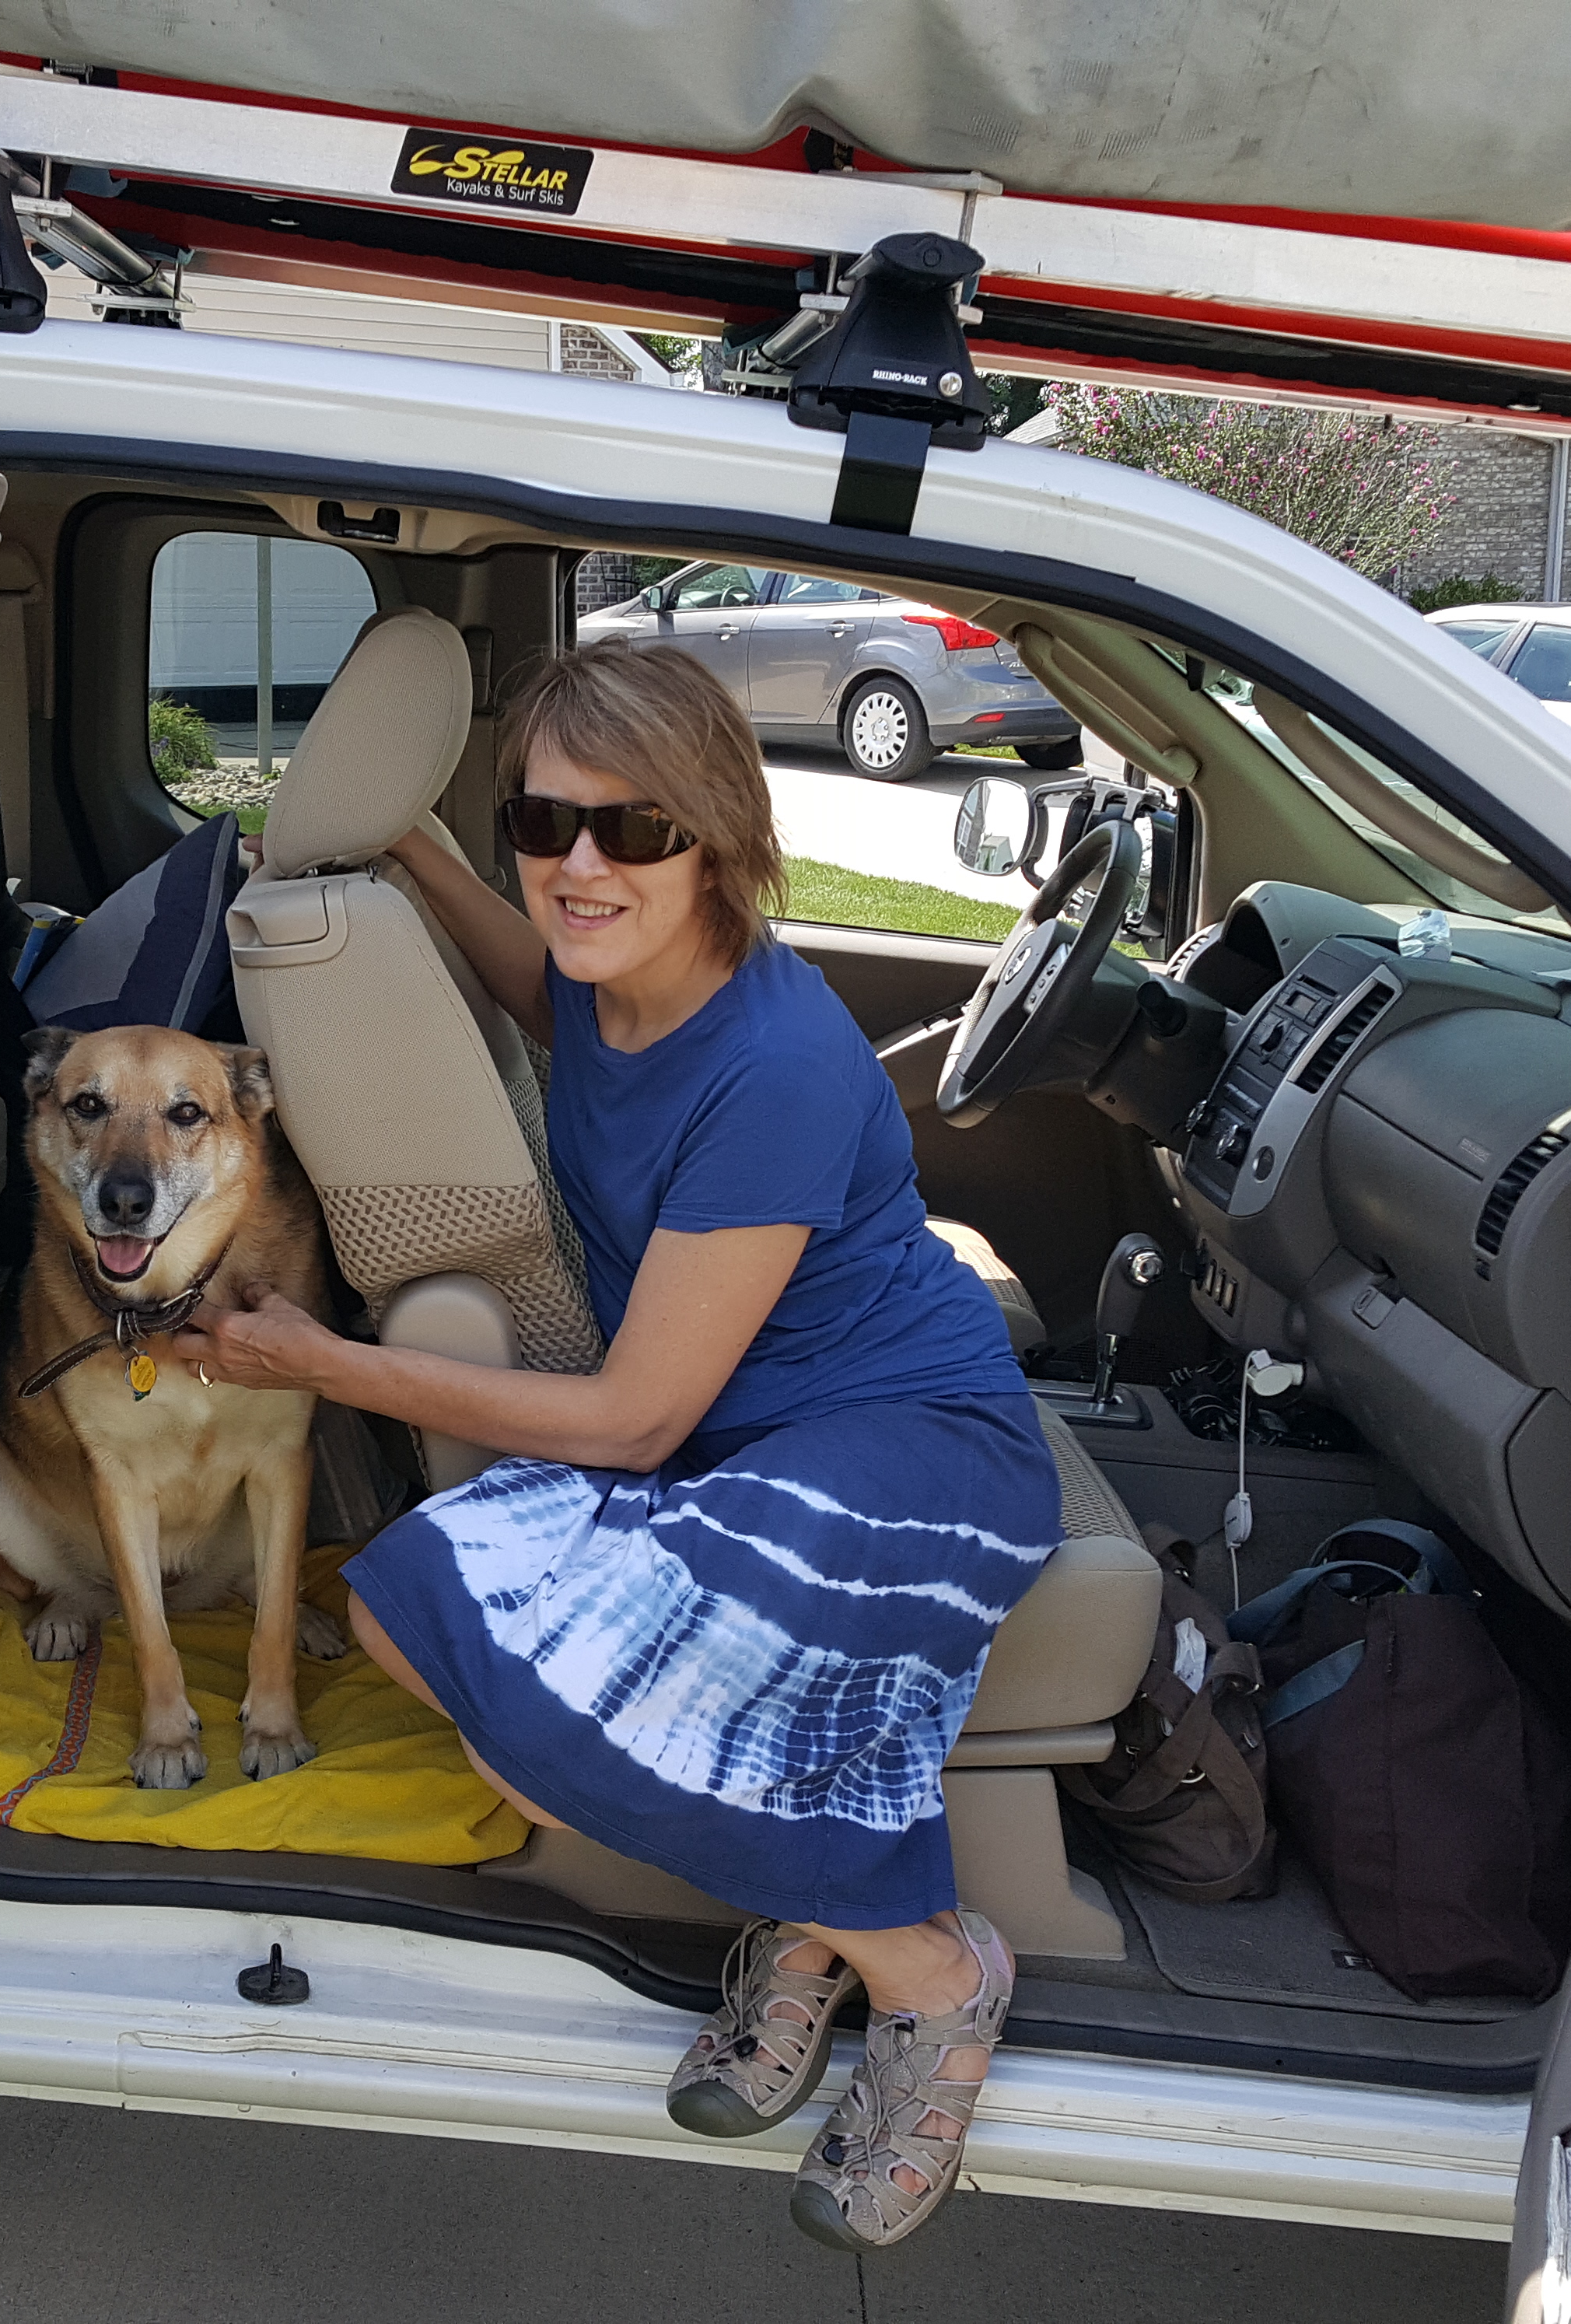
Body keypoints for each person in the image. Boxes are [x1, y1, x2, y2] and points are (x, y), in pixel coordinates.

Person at [169, 638, 1062, 2250]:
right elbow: (544, 988)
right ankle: (816, 1925)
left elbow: (637, 1418)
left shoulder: (776, 1067)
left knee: (547, 1718)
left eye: (632, 830)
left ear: (714, 833)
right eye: (545, 823)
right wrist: (426, 849)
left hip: (909, 1449)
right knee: (401, 1599)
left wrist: (322, 1362)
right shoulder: (613, 981)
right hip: (746, 1442)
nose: (581, 866)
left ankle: (926, 1970)